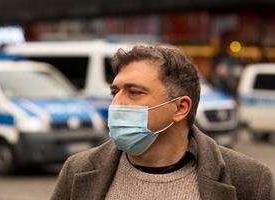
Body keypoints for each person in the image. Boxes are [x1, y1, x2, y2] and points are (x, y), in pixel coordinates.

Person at [51, 45, 274, 200]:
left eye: (134, 92)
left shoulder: (249, 179)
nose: (116, 104)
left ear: (180, 108)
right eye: (115, 92)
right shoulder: (78, 169)